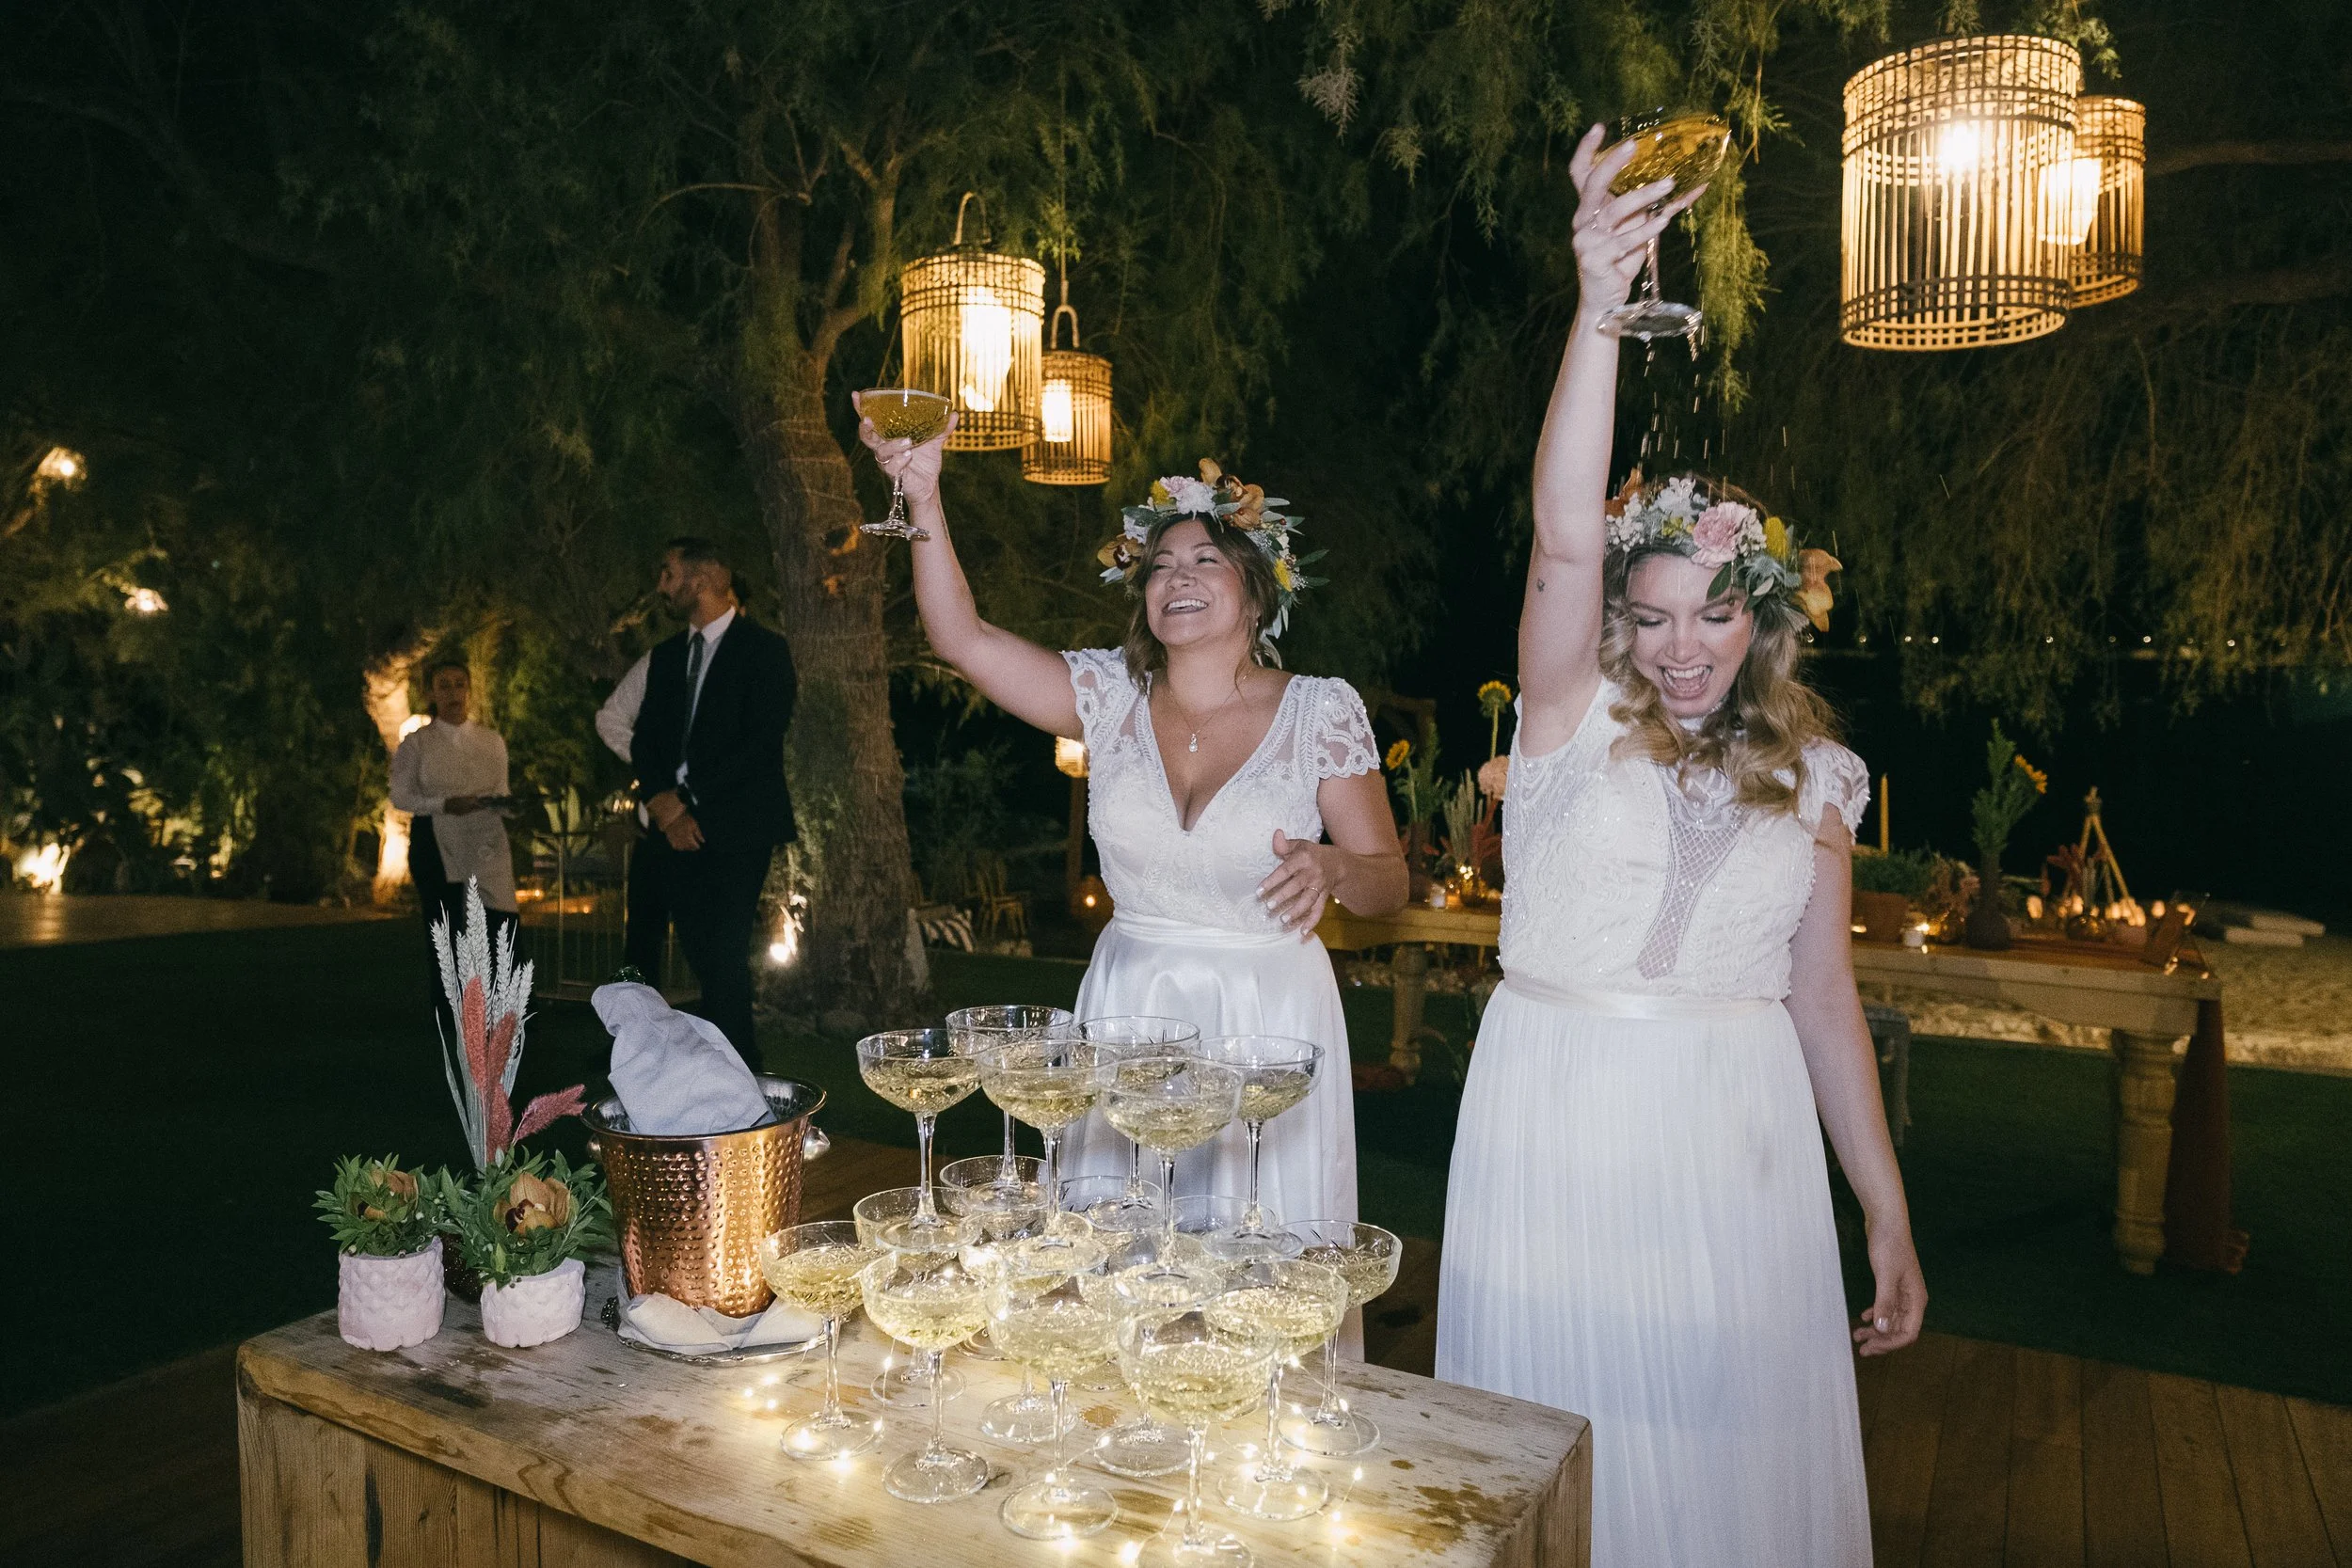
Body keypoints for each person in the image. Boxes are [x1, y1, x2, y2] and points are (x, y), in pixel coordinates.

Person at [1433, 126, 1926, 1567]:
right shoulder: (1567, 715)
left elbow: (1825, 1001)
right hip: (1561, 1115)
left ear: (1764, 616)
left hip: (1741, 1146)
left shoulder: (1818, 772)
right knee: (1559, 1442)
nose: (1683, 643)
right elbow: (1559, 539)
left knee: (1721, 1458)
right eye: (1651, 613)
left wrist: (1884, 1216)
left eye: (1716, 612)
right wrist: (1596, 304)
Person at [858, 403, 1406, 1227]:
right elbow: (961, 639)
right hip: (1128, 1006)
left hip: (1263, 1023)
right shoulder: (1107, 698)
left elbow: (1389, 882)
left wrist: (1334, 866)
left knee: (1255, 1262)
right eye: (1159, 565)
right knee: (1119, 1259)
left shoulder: (1318, 712)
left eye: (1205, 559)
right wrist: (926, 501)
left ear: (1257, 589)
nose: (1176, 576)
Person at [611, 538, 797, 1062]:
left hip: (737, 825)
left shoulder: (765, 650)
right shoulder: (668, 657)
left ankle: (742, 1074)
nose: (662, 586)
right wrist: (662, 803)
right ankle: (685, 1066)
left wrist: (684, 801)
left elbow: (760, 743)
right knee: (689, 949)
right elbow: (645, 740)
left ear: (706, 577)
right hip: (670, 823)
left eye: (669, 573)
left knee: (724, 952)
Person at [389, 659, 518, 1019]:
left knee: (498, 918)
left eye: (458, 684)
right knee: (447, 926)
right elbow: (400, 797)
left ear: (469, 690)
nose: (452, 693)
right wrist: (445, 804)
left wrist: (512, 808)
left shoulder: (491, 741)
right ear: (431, 693)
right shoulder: (417, 744)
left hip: (485, 838)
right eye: (443, 685)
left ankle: (504, 1006)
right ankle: (451, 1009)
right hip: (435, 838)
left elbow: (501, 791)